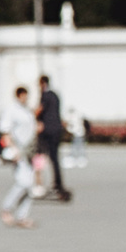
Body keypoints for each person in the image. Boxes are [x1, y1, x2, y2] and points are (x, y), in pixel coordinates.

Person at [0, 86, 38, 229]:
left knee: (30, 185)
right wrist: (13, 149)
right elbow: (5, 131)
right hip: (18, 150)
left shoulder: (27, 110)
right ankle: (6, 208)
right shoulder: (12, 110)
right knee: (23, 182)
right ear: (18, 95)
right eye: (23, 96)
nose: (25, 98)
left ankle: (22, 216)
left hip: (29, 151)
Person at [36, 75, 71, 204]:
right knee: (55, 158)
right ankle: (58, 183)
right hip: (57, 129)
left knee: (40, 155)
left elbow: (39, 111)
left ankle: (39, 184)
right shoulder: (56, 95)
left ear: (42, 83)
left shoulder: (44, 95)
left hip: (47, 130)